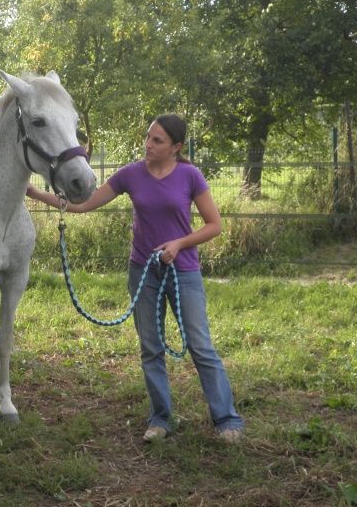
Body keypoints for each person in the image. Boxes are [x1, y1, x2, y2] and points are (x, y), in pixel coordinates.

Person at [26, 114, 244, 443]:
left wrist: (179, 243)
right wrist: (33, 192)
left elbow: (214, 225)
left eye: (157, 141)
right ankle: (160, 418)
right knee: (151, 349)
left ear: (175, 147)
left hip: (183, 271)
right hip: (143, 270)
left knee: (201, 347)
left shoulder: (190, 176)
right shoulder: (132, 174)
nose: (148, 144)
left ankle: (226, 419)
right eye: (148, 137)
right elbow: (84, 205)